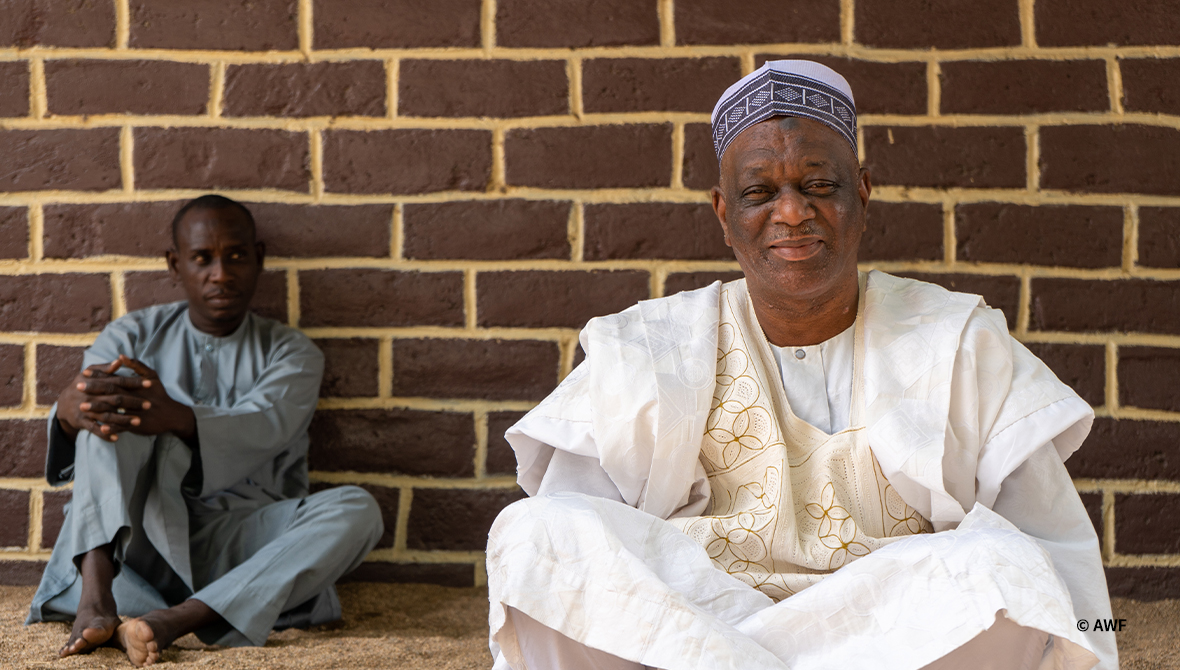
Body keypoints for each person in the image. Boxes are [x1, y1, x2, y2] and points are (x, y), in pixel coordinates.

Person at [486, 61, 1116, 670]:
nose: (791, 213)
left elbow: (1050, 545)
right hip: (698, 634)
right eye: (760, 193)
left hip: (890, 635)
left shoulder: (955, 339)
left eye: (818, 186)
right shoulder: (651, 347)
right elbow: (586, 555)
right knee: (538, 531)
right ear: (723, 215)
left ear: (861, 195)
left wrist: (1090, 642)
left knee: (1005, 562)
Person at [27, 195, 383, 667]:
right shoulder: (129, 337)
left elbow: (263, 427)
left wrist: (174, 416)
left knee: (358, 509)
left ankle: (174, 620)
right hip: (139, 539)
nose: (221, 273)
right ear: (175, 265)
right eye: (202, 258)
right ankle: (95, 598)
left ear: (259, 259)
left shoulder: (292, 353)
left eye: (236, 256)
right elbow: (91, 414)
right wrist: (71, 414)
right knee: (111, 409)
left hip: (242, 541)